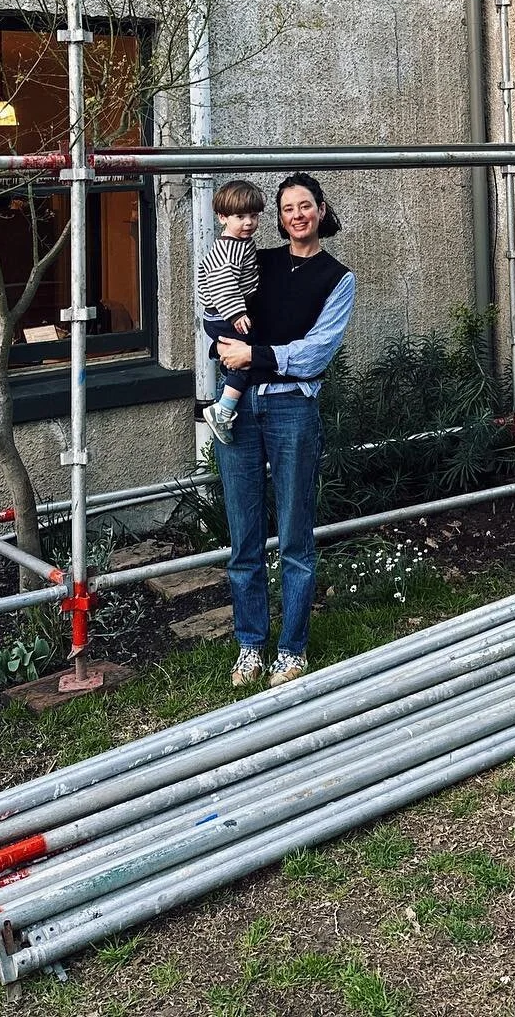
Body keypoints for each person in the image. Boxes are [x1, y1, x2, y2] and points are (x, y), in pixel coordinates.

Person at [214, 172, 355, 689]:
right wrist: (221, 342)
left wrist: (257, 354)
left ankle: (291, 648)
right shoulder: (256, 261)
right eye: (287, 208)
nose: (297, 215)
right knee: (243, 533)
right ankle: (250, 644)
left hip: (293, 407)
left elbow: (316, 352)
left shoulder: (338, 278)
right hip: (240, 405)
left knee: (295, 532)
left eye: (305, 206)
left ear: (320, 210)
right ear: (279, 217)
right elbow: (218, 298)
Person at [196, 178, 266, 444]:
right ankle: (222, 410)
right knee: (244, 359)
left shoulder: (240, 241)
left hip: (225, 313)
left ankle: (219, 353)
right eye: (240, 216)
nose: (248, 222)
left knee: (244, 350)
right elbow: (223, 285)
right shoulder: (227, 249)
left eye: (253, 215)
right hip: (223, 314)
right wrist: (237, 315)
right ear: (222, 217)